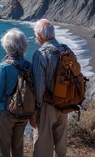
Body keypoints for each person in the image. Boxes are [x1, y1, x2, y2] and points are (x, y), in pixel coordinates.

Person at [0, 28, 31, 157]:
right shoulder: (29, 66)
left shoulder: (3, 67)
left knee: (2, 148)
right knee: (18, 147)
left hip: (5, 112)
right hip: (24, 111)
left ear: (8, 47)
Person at [32, 19, 71, 157]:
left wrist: (34, 111)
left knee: (43, 146)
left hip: (47, 106)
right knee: (61, 145)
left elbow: (38, 86)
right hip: (65, 104)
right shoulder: (67, 50)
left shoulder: (40, 54)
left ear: (39, 36)